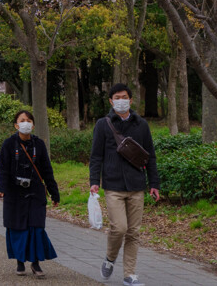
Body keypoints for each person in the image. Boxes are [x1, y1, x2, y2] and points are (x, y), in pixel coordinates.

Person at [90, 83, 160, 286]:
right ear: (111, 101)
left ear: (131, 99)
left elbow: (150, 156)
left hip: (137, 185)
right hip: (113, 186)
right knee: (119, 228)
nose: (121, 100)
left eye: (125, 97)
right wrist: (94, 181)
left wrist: (154, 183)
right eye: (117, 97)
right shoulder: (103, 124)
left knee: (133, 232)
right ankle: (110, 258)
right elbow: (96, 156)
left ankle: (129, 274)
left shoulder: (141, 125)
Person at [0, 110, 61, 279]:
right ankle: (20, 261)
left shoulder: (38, 145)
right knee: (17, 228)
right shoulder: (9, 144)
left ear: (33, 124)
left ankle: (36, 262)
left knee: (36, 228)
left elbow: (47, 170)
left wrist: (54, 193)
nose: (26, 123)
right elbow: (2, 168)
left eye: (29, 120)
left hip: (35, 192)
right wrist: (1, 187)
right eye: (22, 120)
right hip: (14, 193)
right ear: (16, 125)